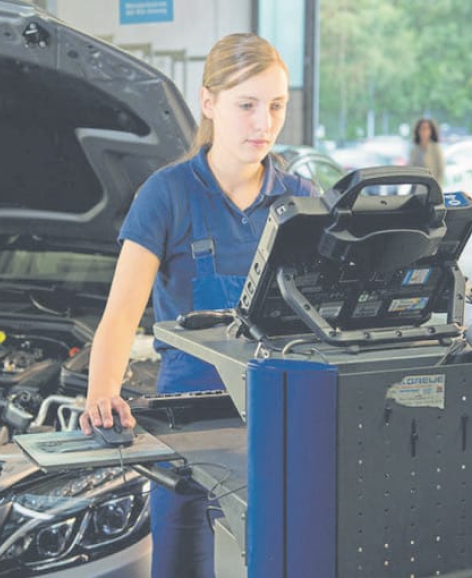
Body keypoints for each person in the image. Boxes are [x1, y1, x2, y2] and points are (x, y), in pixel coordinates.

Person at [78, 33, 315, 578]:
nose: (264, 124)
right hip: (188, 415)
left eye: (275, 106)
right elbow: (120, 314)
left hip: (278, 415)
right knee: (180, 565)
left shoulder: (300, 199)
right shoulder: (167, 195)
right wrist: (101, 394)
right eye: (246, 105)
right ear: (209, 103)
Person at [409, 117, 445, 185]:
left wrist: (437, 186)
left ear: (431, 131)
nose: (424, 132)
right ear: (418, 131)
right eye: (422, 129)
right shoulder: (414, 150)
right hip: (417, 187)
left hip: (433, 186)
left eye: (427, 129)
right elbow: (411, 169)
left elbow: (441, 170)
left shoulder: (436, 148)